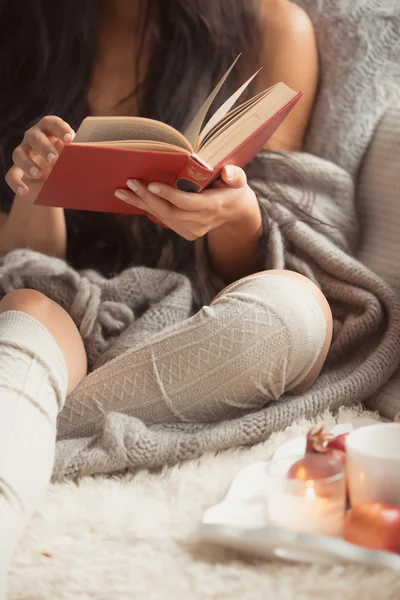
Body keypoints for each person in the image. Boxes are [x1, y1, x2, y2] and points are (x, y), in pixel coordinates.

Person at [0, 0, 331, 593]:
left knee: (298, 311)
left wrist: (236, 215)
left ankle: (21, 412)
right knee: (29, 314)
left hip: (198, 323)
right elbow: (28, 272)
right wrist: (35, 189)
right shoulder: (24, 25)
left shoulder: (275, 28)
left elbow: (268, 256)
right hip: (64, 315)